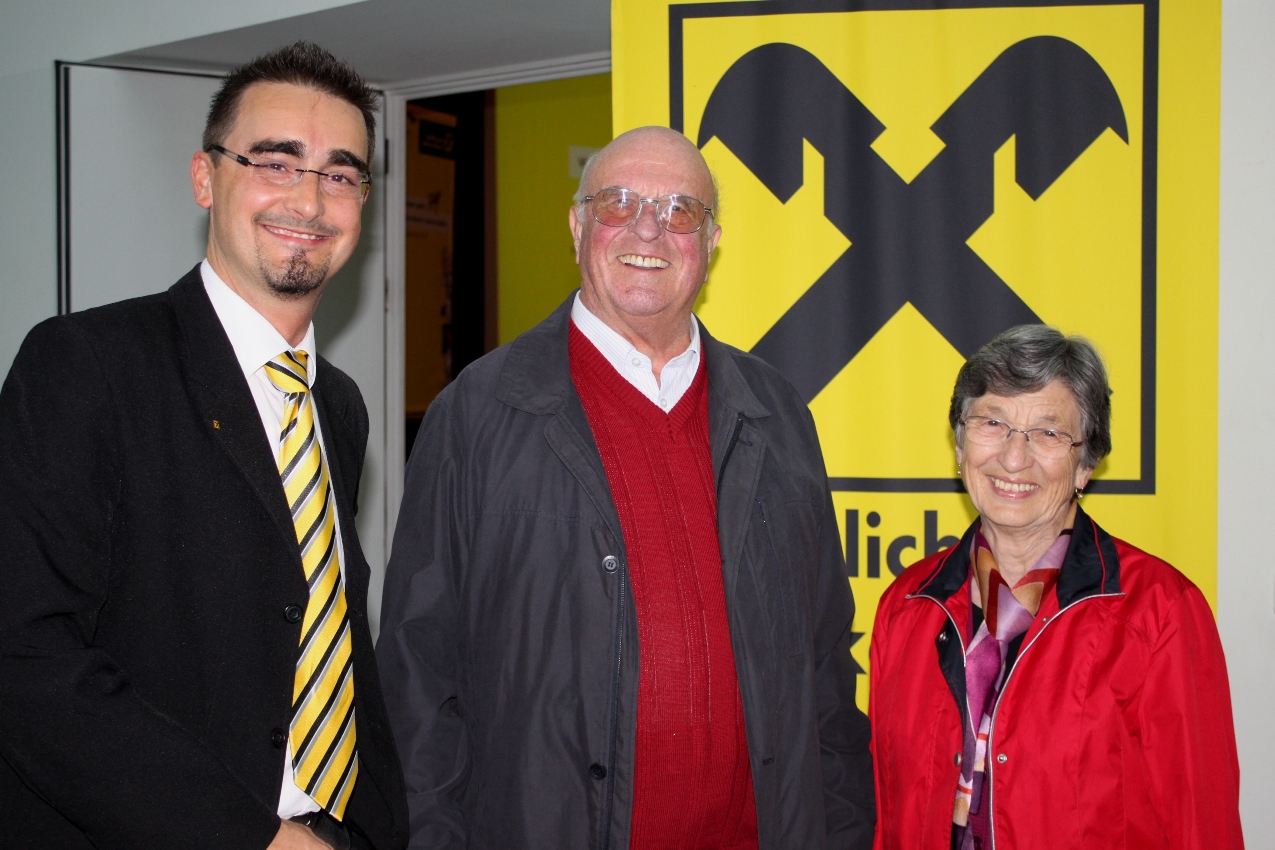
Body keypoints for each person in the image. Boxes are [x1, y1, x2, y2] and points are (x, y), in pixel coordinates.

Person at [377, 126, 875, 849]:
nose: (648, 229)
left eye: (680, 211)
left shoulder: (777, 414)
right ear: (578, 226)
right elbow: (417, 672)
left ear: (710, 243)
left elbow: (825, 665)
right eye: (618, 203)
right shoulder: (477, 413)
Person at [0, 42, 407, 850]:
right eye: (275, 163)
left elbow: (317, 633)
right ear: (204, 177)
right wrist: (256, 837)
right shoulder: (88, 365)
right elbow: (26, 656)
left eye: (339, 174)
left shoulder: (338, 405)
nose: (309, 199)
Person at [869, 325, 1243, 850]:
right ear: (959, 445)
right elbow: (885, 822)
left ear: (1086, 465)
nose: (1013, 458)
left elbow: (1202, 827)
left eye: (1047, 433)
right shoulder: (906, 606)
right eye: (992, 422)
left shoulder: (1159, 613)